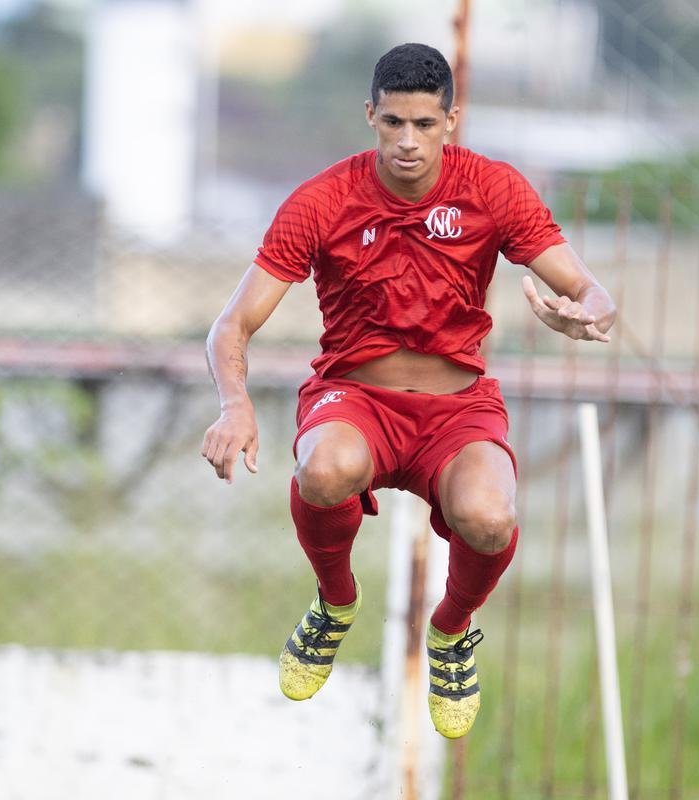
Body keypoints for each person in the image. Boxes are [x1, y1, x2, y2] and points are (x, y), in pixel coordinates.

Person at [201, 42, 615, 739]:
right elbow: (232, 324)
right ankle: (335, 604)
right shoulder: (323, 200)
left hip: (456, 412)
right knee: (324, 468)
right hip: (356, 401)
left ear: (451, 121)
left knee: (490, 518)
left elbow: (590, 288)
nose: (408, 142)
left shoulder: (493, 189)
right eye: (393, 122)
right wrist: (234, 405)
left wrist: (587, 315)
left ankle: (451, 632)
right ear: (370, 116)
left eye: (424, 124)